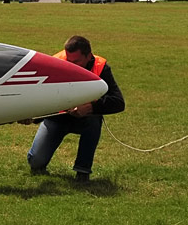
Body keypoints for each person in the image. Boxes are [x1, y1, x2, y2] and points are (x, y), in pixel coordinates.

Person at [26, 35, 125, 181]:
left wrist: (91, 107)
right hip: (57, 119)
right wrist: (30, 114)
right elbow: (38, 96)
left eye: (76, 62)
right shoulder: (55, 63)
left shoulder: (101, 67)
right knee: (36, 162)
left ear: (88, 56)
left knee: (94, 121)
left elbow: (118, 102)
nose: (71, 65)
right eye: (69, 61)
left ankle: (82, 171)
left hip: (85, 120)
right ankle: (38, 161)